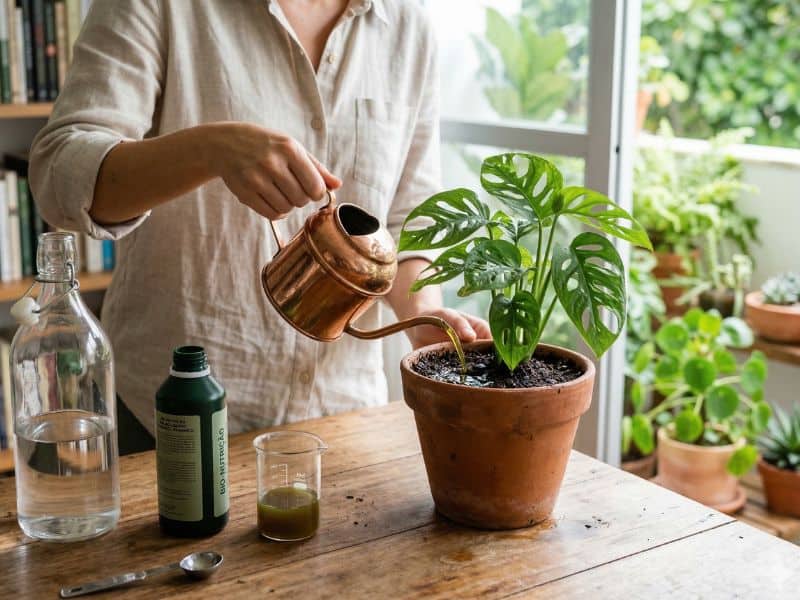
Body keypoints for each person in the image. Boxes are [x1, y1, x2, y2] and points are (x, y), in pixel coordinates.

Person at [29, 0, 490, 455]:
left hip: (343, 423)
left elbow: (407, 222)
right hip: (172, 422)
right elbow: (59, 173)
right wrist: (211, 149)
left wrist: (424, 317)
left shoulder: (408, 25)